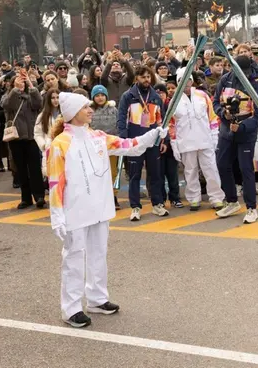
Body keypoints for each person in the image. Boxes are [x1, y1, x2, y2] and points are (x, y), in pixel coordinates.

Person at [48, 92, 166, 328]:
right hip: (75, 210)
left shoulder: (98, 137)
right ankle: (71, 309)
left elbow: (130, 146)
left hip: (99, 208)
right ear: (73, 113)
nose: (90, 110)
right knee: (74, 258)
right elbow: (55, 182)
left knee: (98, 254)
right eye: (85, 107)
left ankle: (97, 299)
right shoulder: (60, 144)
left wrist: (152, 135)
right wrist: (57, 215)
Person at [213, 55, 258, 223]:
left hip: (245, 134)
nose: (242, 74)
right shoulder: (225, 79)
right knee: (222, 165)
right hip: (226, 132)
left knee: (245, 169)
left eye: (245, 71)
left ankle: (251, 208)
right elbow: (215, 102)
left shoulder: (256, 86)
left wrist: (242, 126)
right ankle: (232, 201)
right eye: (238, 70)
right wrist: (224, 113)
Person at [168, 72, 225, 211]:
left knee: (211, 169)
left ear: (191, 81)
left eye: (188, 80)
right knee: (190, 171)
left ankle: (216, 198)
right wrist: (174, 144)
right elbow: (171, 124)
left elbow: (212, 117)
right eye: (182, 80)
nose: (185, 83)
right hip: (185, 142)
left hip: (205, 139)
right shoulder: (174, 100)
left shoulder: (202, 95)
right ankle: (194, 198)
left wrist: (214, 135)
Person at [117, 66, 167, 221]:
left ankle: (157, 204)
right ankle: (135, 207)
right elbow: (121, 118)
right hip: (135, 141)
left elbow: (161, 120)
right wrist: (124, 139)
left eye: (148, 77)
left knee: (155, 174)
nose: (146, 80)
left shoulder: (155, 97)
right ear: (136, 78)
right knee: (135, 175)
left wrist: (163, 140)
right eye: (143, 77)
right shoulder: (128, 96)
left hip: (153, 141)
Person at [1, 70, 46, 209]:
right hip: (16, 138)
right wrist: (16, 89)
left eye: (22, 82)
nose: (21, 84)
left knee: (35, 168)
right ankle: (25, 198)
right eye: (18, 82)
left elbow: (39, 104)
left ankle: (39, 196)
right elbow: (8, 105)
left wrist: (31, 85)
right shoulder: (8, 96)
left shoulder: (30, 96)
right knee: (21, 169)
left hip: (31, 137)